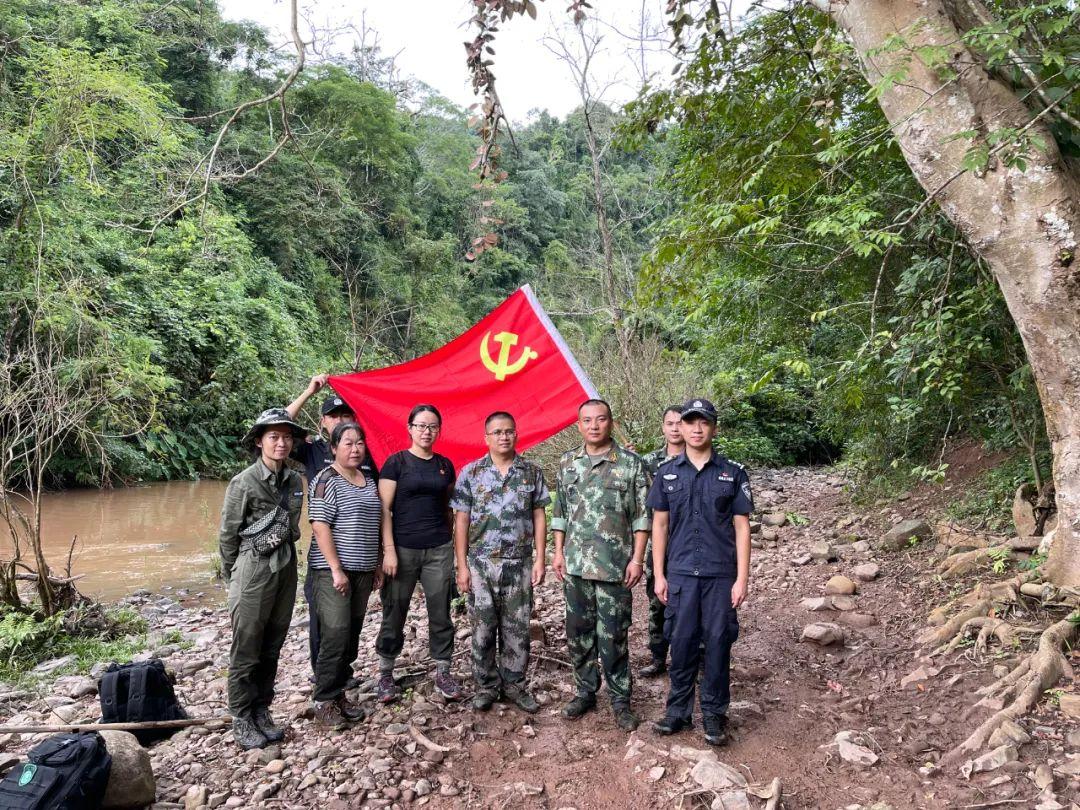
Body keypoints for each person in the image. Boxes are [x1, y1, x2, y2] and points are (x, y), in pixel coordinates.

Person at [649, 398, 753, 747]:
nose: (695, 429)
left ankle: (713, 714)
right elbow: (659, 526)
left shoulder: (733, 473)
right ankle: (677, 712)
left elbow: (741, 528)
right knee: (680, 643)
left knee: (719, 645)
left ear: (713, 428)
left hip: (720, 574)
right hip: (679, 574)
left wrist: (742, 578)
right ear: (680, 426)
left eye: (703, 423)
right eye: (689, 422)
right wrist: (659, 574)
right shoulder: (666, 473)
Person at [551, 399, 649, 731]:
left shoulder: (632, 464)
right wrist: (558, 552)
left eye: (601, 419)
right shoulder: (567, 463)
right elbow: (560, 513)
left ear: (610, 422)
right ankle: (584, 691)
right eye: (587, 420)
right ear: (579, 425)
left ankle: (620, 700)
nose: (594, 425)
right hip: (576, 567)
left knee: (614, 636)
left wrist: (638, 559)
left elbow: (642, 517)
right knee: (578, 634)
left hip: (615, 569)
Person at [219, 408, 307, 749]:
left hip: (285, 569)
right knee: (247, 647)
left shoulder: (294, 479)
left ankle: (261, 709)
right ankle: (241, 716)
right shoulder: (243, 482)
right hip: (253, 570)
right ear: (259, 442)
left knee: (273, 645)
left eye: (286, 437)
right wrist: (235, 578)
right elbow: (228, 536)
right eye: (273, 437)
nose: (281, 443)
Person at [451, 411, 549, 713]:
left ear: (516, 434)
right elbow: (462, 519)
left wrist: (540, 559)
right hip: (481, 564)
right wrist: (462, 566)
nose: (503, 436)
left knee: (517, 628)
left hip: (519, 563)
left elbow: (539, 515)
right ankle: (486, 686)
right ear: (486, 437)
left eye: (508, 431)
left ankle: (515, 686)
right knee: (482, 629)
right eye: (497, 432)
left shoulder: (530, 472)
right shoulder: (471, 473)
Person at [286, 374, 379, 681]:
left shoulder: (366, 457)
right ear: (324, 422)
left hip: (362, 557)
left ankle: (340, 673)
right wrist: (308, 391)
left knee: (350, 621)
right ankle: (323, 677)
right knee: (324, 621)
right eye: (333, 416)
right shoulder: (312, 451)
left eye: (345, 415)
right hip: (328, 558)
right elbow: (279, 426)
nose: (339, 419)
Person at [375, 404, 463, 702]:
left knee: (441, 611)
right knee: (394, 610)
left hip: (438, 548)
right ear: (410, 428)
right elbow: (384, 509)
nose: (427, 432)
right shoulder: (396, 463)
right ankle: (386, 672)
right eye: (421, 426)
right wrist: (388, 551)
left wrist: (451, 545)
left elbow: (449, 507)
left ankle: (443, 670)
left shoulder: (445, 465)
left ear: (439, 430)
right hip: (402, 548)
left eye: (433, 427)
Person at [308, 422, 384, 727]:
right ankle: (324, 700)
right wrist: (336, 569)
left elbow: (375, 522)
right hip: (332, 572)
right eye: (348, 443)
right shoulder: (326, 480)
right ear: (334, 448)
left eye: (360, 443)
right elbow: (319, 525)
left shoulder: (366, 478)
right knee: (336, 633)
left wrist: (377, 563)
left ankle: (338, 693)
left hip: (364, 569)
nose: (355, 449)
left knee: (351, 634)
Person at [639, 405, 686, 678]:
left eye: (680, 423)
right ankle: (658, 656)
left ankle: (696, 656)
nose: (675, 428)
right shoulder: (648, 462)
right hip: (659, 540)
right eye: (670, 423)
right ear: (663, 427)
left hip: (689, 540)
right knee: (657, 600)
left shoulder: (698, 459)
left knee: (693, 602)